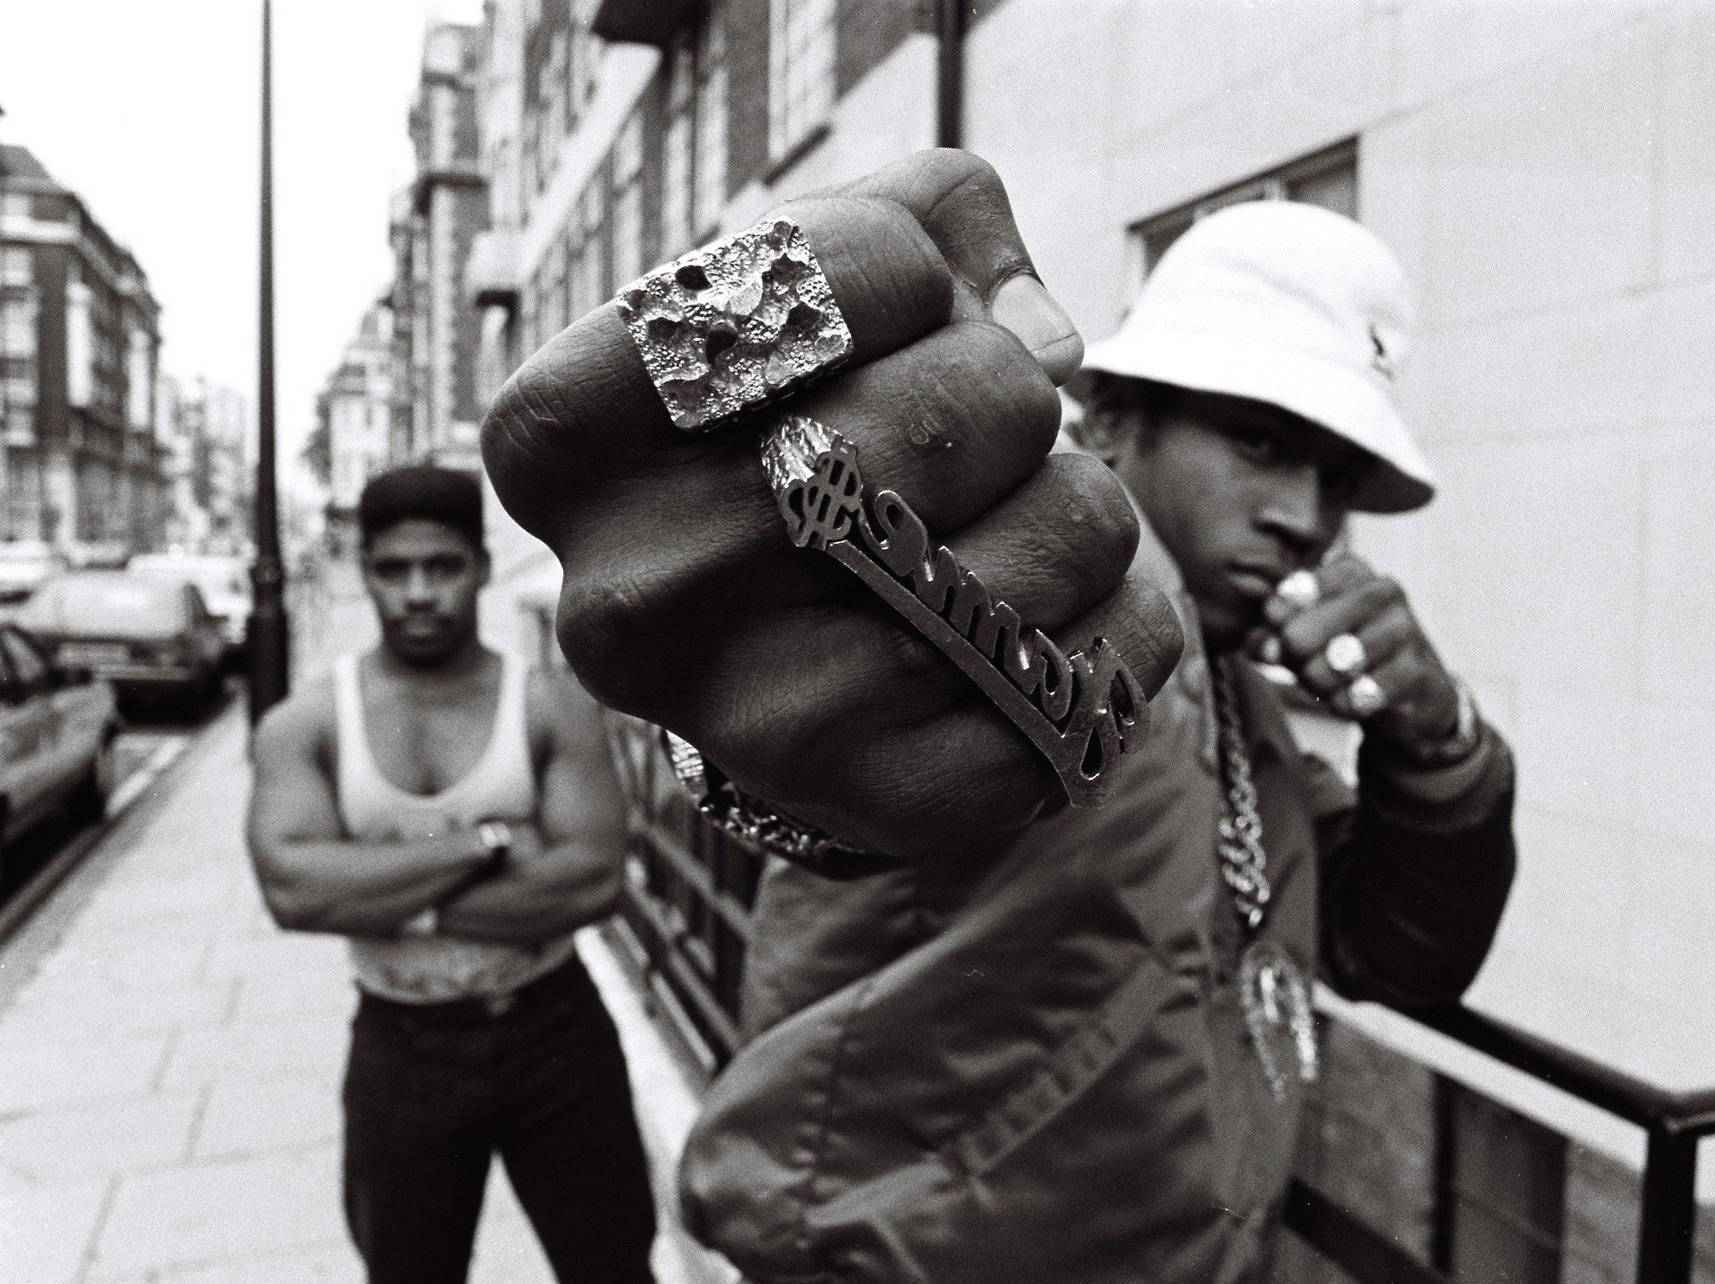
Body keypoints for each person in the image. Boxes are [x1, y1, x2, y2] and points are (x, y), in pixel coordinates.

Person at [479, 151, 1514, 1282]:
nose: (1304, 517)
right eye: (1261, 445)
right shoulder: (1049, 632)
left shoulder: (1243, 708)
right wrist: (739, 726)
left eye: (1340, 477)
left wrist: (1438, 741)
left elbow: (1396, 954)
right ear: (1115, 419)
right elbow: (844, 766)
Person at [245, 465, 655, 1284]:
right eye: (394, 571)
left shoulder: (546, 705)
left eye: (443, 567)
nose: (420, 593)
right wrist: (488, 842)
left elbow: (592, 882)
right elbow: (294, 890)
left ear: (479, 564)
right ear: (365, 573)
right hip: (403, 1044)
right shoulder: (312, 722)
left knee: (612, 1268)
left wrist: (379, 892)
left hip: (554, 1031)